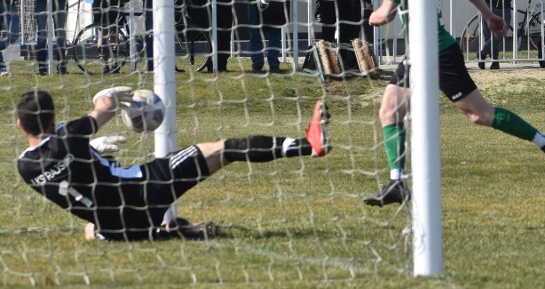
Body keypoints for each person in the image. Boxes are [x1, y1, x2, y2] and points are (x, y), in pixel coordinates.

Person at [362, 0, 545, 207]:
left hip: (438, 53)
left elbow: (384, 14)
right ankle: (397, 182)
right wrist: (489, 15)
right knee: (389, 111)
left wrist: (369, 14)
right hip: (419, 54)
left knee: (479, 114)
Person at [15, 87, 330, 241]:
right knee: (221, 150)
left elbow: (64, 164)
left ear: (19, 124)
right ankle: (308, 145)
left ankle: (171, 232)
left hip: (113, 227)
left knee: (90, 227)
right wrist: (110, 94)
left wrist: (89, 151)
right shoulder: (69, 134)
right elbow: (104, 108)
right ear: (53, 118)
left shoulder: (24, 167)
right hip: (144, 188)